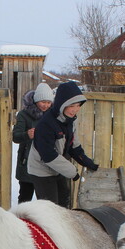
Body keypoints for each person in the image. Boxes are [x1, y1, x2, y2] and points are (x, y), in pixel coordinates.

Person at [27, 80, 99, 208]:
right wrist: (73, 172)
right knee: (51, 210)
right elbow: (48, 155)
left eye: (78, 105)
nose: (75, 110)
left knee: (64, 205)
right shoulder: (46, 124)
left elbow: (73, 145)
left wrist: (86, 161)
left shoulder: (70, 120)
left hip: (57, 169)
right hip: (41, 171)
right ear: (62, 105)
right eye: (72, 106)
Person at [11, 82, 53, 204]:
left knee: (44, 200)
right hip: (27, 163)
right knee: (25, 198)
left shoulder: (53, 116)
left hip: (45, 163)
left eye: (49, 102)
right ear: (36, 100)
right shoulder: (24, 115)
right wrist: (27, 135)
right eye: (43, 102)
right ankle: (20, 221)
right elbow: (16, 136)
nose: (46, 105)